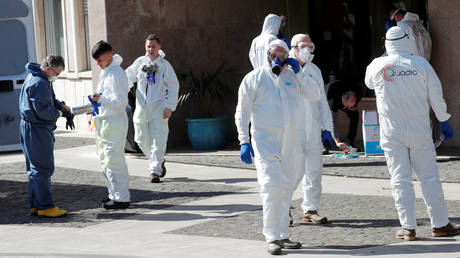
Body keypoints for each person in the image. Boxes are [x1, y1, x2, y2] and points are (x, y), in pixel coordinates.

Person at [365, 26, 460, 240]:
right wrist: (443, 119)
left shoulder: (377, 65)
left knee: (399, 178)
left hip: (391, 128)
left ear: (386, 43)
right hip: (419, 127)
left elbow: (369, 83)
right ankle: (440, 224)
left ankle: (408, 228)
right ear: (408, 40)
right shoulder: (421, 64)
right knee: (429, 176)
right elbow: (436, 95)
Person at [236, 39, 320, 255]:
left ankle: (283, 234)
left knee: (286, 187)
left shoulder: (293, 76)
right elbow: (242, 111)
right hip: (266, 143)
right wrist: (244, 140)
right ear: (267, 53)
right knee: (272, 187)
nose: (278, 57)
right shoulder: (254, 78)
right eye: (275, 53)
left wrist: (300, 72)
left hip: (292, 142)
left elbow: (315, 95)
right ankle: (272, 237)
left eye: (282, 53)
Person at [19, 55, 74, 217]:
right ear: (48, 69)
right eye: (57, 73)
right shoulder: (40, 83)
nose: (56, 76)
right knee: (43, 168)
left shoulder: (36, 77)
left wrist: (60, 105)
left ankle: (35, 204)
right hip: (37, 129)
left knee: (34, 169)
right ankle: (45, 206)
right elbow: (43, 111)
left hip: (30, 127)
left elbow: (49, 100)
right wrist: (59, 113)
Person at [290, 33, 333, 224]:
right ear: (294, 47)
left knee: (314, 171)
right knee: (293, 172)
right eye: (303, 46)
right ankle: (282, 209)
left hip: (313, 129)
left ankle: (310, 208)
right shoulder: (285, 69)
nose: (308, 50)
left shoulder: (314, 69)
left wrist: (327, 128)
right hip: (292, 130)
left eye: (310, 46)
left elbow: (322, 101)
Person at [125, 34, 179, 183]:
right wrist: (120, 93)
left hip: (159, 108)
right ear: (145, 47)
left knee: (158, 140)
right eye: (148, 46)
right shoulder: (140, 63)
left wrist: (170, 107)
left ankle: (154, 171)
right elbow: (127, 77)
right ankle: (158, 160)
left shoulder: (164, 66)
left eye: (153, 46)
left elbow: (173, 86)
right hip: (142, 108)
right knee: (140, 139)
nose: (151, 49)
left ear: (159, 47)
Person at [91, 41, 131, 209]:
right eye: (97, 61)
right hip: (105, 121)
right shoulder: (107, 71)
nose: (98, 64)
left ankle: (121, 197)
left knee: (114, 160)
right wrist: (96, 106)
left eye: (100, 60)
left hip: (114, 122)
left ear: (109, 55)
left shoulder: (116, 73)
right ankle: (114, 193)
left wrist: (101, 100)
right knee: (106, 159)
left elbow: (121, 103)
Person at [327, 80, 361, 150]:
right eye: (348, 106)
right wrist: (337, 142)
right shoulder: (332, 101)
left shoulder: (358, 90)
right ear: (343, 99)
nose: (349, 108)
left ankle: (349, 142)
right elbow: (332, 122)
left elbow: (355, 99)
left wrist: (354, 106)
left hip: (343, 86)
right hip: (326, 92)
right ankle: (325, 145)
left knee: (354, 115)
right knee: (324, 120)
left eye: (351, 106)